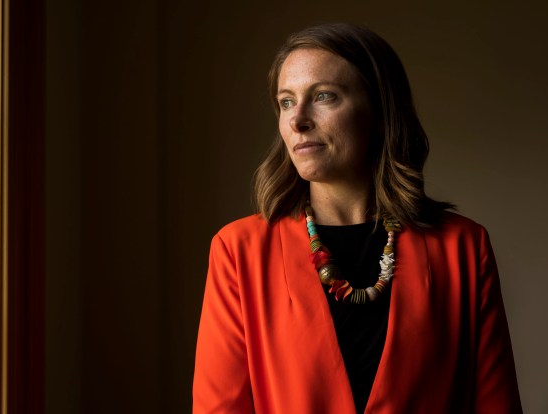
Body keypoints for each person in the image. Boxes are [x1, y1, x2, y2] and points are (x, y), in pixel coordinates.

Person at [193, 23, 522, 413]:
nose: (297, 120)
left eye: (323, 96)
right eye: (285, 102)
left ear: (380, 111)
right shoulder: (238, 251)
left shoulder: (463, 248)